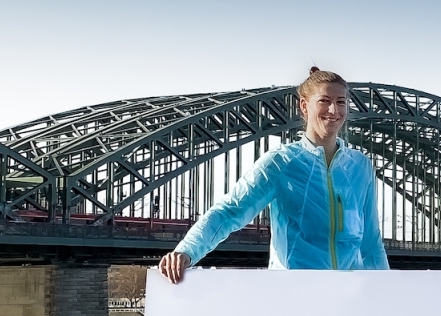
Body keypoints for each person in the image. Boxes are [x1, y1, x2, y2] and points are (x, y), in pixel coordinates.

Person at [158, 67, 388, 281]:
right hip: (294, 292)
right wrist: (186, 251)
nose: (334, 110)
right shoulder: (281, 163)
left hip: (349, 294)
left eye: (341, 102)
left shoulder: (360, 166)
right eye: (324, 101)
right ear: (305, 106)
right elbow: (230, 211)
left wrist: (387, 289)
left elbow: (370, 242)